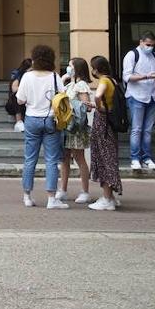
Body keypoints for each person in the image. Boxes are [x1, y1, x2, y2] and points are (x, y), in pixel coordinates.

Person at [15, 45, 67, 209]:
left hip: (32, 118)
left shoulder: (28, 77)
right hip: (51, 120)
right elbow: (63, 98)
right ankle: (52, 198)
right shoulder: (54, 77)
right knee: (51, 160)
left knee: (30, 159)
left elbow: (20, 100)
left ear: (34, 59)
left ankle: (27, 196)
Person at [122, 32, 155, 171]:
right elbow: (127, 77)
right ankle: (135, 158)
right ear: (140, 42)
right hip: (136, 96)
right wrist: (146, 77)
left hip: (151, 96)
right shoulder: (132, 55)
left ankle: (146, 157)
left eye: (152, 45)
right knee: (137, 129)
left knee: (147, 130)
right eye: (147, 44)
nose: (150, 47)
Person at [87, 56, 122, 211]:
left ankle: (107, 198)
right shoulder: (113, 80)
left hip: (103, 123)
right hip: (110, 122)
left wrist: (98, 107)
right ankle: (110, 197)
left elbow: (98, 95)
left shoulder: (103, 81)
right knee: (108, 156)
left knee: (104, 157)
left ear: (97, 69)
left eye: (93, 67)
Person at [57, 57, 93, 205]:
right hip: (66, 126)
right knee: (64, 159)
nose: (68, 67)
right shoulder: (70, 84)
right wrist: (63, 78)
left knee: (79, 158)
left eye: (70, 65)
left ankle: (85, 191)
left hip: (77, 127)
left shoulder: (81, 85)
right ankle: (63, 190)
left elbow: (86, 106)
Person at [6, 57, 32, 133]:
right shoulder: (18, 74)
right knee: (17, 95)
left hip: (28, 103)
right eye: (31, 70)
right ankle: (19, 122)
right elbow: (14, 89)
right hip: (15, 104)